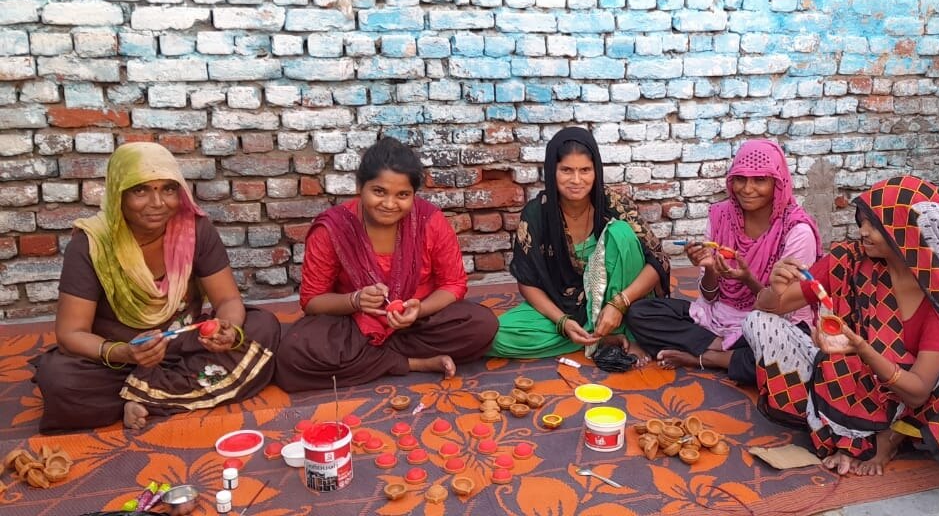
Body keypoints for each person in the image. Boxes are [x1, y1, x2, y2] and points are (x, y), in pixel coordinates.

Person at [745, 175, 939, 476]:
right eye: (862, 222)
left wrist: (861, 348)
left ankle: (892, 437)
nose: (863, 232)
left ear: (908, 231)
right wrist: (776, 287)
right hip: (839, 378)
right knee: (759, 322)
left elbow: (917, 391)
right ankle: (840, 428)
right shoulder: (848, 261)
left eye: (875, 225)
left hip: (904, 401)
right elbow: (770, 306)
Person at [32, 142, 280, 433]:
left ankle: (139, 397)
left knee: (263, 327)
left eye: (168, 189)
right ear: (118, 194)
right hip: (119, 358)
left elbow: (227, 300)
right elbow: (70, 334)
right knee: (60, 379)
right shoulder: (91, 245)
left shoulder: (194, 230)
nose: (158, 203)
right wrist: (125, 353)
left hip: (185, 345)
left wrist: (228, 330)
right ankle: (158, 393)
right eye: (140, 191)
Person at [273, 137, 498, 391]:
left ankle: (368, 359)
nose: (390, 204)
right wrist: (355, 300)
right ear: (360, 187)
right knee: (293, 356)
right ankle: (414, 363)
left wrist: (418, 310)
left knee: (482, 325)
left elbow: (454, 284)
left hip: (415, 324)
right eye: (379, 192)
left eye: (403, 195)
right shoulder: (333, 229)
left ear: (414, 195)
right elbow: (312, 301)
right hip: (354, 325)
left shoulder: (429, 221)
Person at [626, 139, 819, 383]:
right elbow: (709, 297)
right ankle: (723, 348)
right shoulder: (721, 216)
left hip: (770, 321)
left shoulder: (797, 232)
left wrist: (748, 279)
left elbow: (782, 307)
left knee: (788, 359)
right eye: (740, 179)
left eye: (760, 180)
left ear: (777, 183)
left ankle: (707, 357)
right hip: (720, 318)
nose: (747, 189)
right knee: (639, 313)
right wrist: (709, 270)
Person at [488, 126, 670, 364]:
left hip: (619, 303)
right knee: (494, 336)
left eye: (585, 170)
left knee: (622, 233)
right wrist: (562, 322)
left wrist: (618, 304)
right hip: (564, 305)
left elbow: (657, 261)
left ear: (596, 171)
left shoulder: (614, 205)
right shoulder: (537, 214)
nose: (576, 180)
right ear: (552, 171)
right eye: (566, 170)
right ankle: (597, 336)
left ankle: (617, 328)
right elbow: (527, 281)